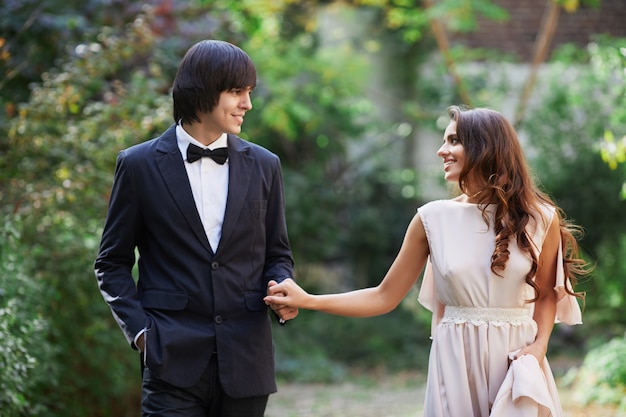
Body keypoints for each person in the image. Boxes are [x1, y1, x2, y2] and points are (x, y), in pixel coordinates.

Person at [265, 105, 589, 417]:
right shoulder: (432, 219)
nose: (441, 151)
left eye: (453, 140)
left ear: (485, 147)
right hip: (456, 363)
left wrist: (539, 347)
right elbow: (383, 296)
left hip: (516, 362)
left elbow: (548, 294)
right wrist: (309, 300)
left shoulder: (540, 219)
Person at [94, 39, 298, 417]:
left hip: (246, 361)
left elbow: (277, 253)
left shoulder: (265, 165)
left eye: (249, 93)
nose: (247, 104)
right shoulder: (138, 165)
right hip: (170, 362)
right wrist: (141, 334)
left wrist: (281, 284)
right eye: (237, 92)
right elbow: (111, 263)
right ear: (203, 90)